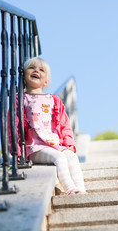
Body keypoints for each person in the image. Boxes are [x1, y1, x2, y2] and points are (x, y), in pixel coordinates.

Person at [9, 57, 86, 195]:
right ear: (24, 76)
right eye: (31, 68)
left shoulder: (54, 100)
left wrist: (68, 143)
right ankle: (70, 189)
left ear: (46, 81)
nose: (36, 71)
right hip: (34, 148)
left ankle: (81, 189)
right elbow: (13, 126)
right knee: (59, 158)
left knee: (71, 156)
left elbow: (64, 124)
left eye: (41, 70)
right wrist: (16, 151)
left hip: (55, 144)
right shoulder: (20, 99)